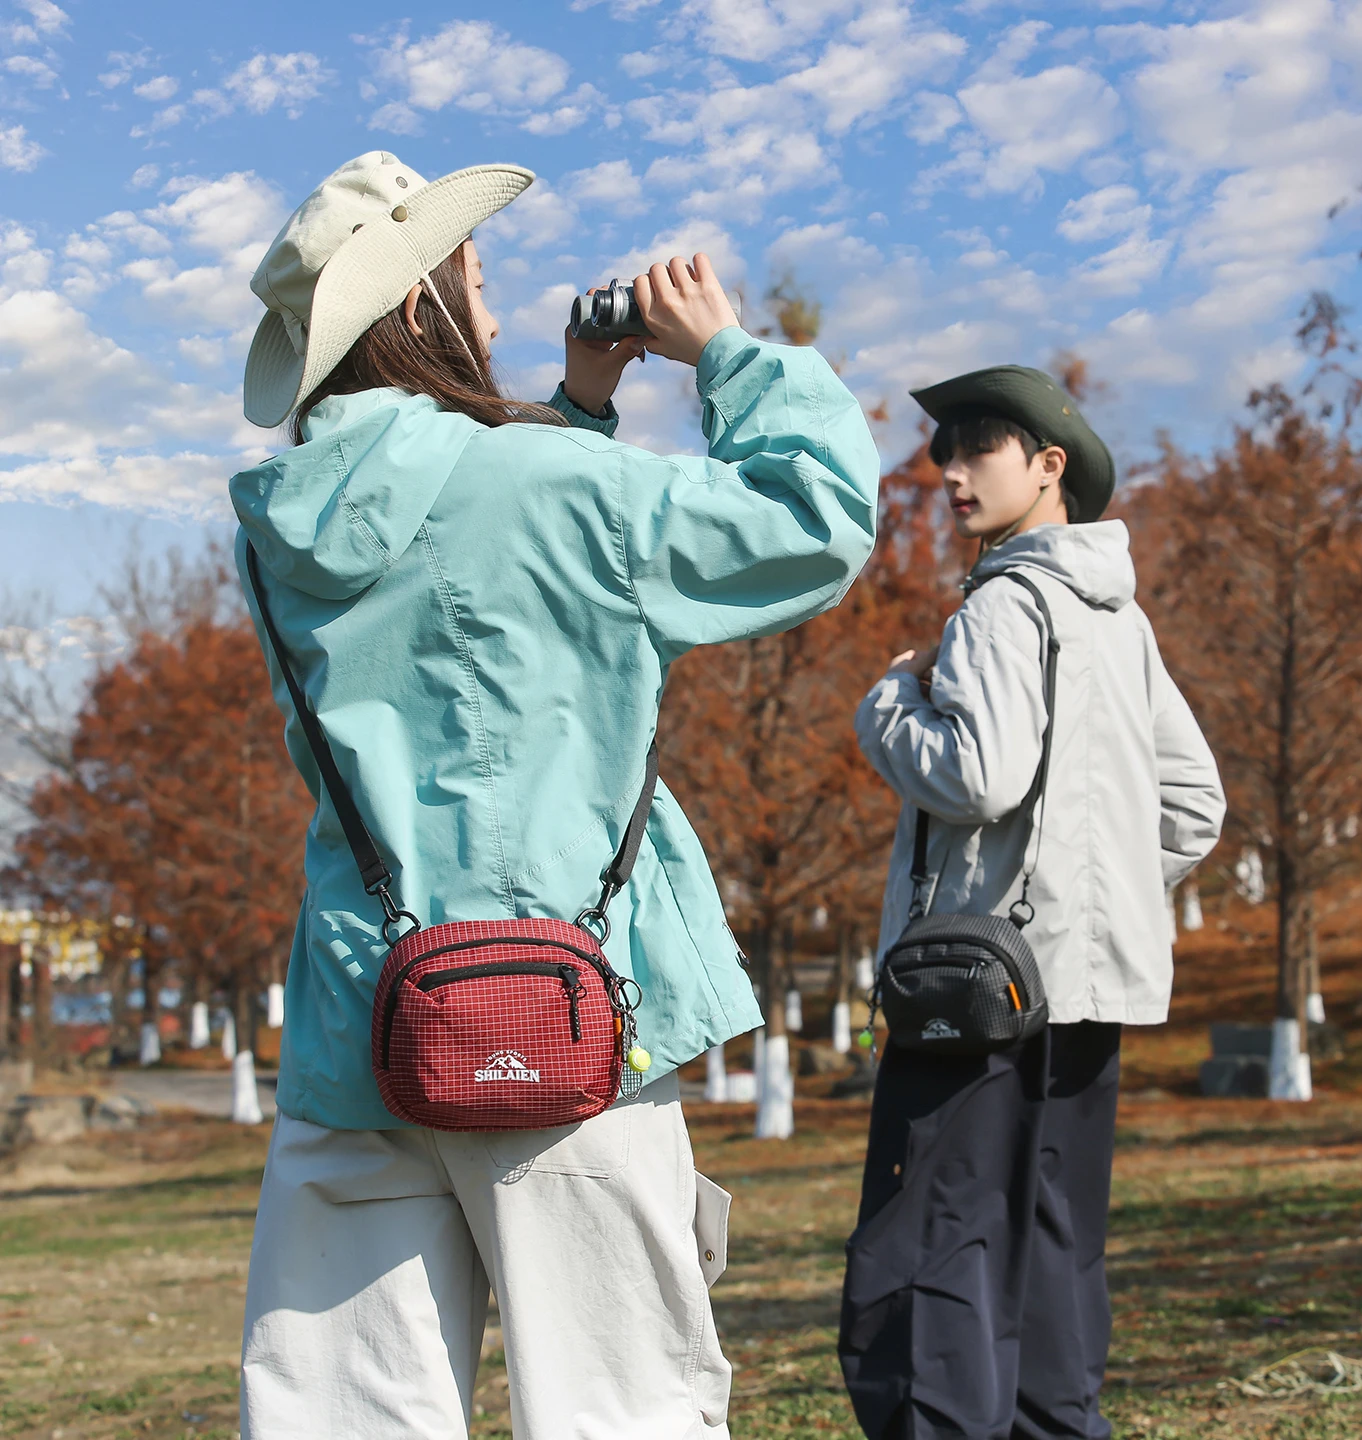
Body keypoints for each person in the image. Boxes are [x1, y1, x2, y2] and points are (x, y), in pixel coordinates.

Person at [230, 151, 880, 1439]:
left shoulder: (278, 527)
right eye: (474, 280)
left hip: (362, 1023)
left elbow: (459, 575)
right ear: (416, 306)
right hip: (564, 1017)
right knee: (620, 1409)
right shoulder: (550, 484)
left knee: (341, 1414)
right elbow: (813, 519)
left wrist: (577, 408)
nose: (491, 305)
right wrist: (727, 354)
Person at [839, 366, 1225, 1439]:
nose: (951, 473)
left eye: (978, 449)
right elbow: (1193, 806)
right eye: (943, 454)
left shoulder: (1002, 605)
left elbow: (978, 777)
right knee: (1055, 1247)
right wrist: (1089, 909)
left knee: (933, 1248)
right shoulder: (1121, 621)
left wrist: (889, 703)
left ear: (1050, 466)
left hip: (975, 996)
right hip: (1084, 994)